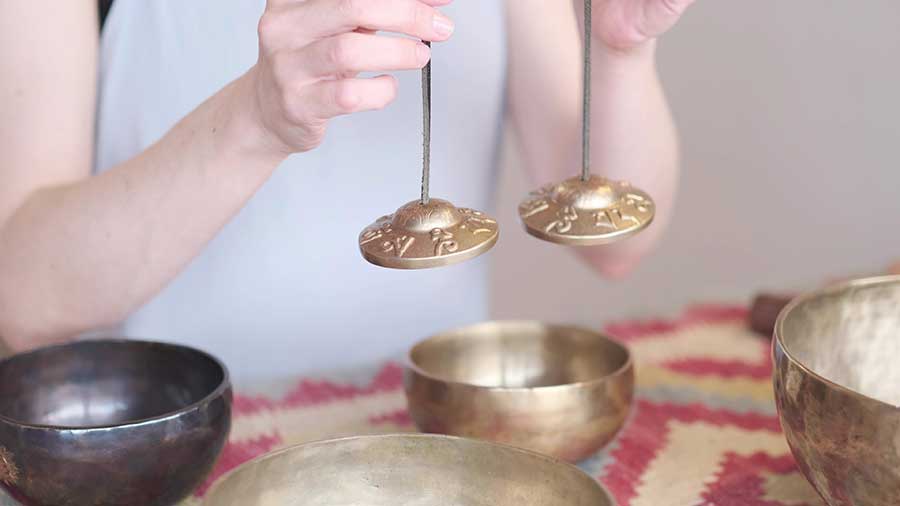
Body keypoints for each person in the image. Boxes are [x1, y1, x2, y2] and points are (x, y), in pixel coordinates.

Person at [0, 0, 691, 381]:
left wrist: (620, 50)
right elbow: (20, 297)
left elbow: (619, 244)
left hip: (433, 442)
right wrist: (257, 117)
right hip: (169, 460)